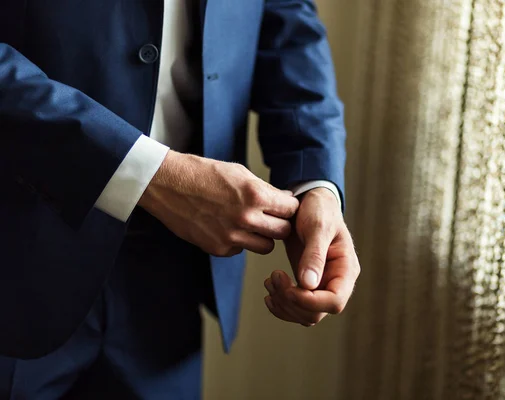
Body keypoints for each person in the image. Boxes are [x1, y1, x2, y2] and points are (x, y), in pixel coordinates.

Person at [0, 0, 360, 398]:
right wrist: (149, 174)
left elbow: (287, 22)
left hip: (175, 274)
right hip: (16, 243)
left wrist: (315, 182)